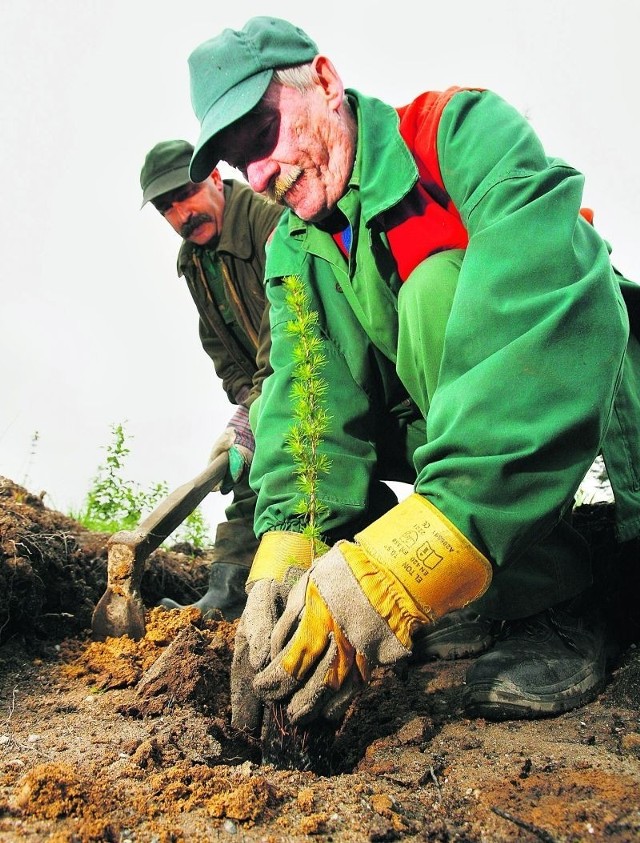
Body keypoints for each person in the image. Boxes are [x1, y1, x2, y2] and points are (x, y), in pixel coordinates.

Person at [185, 17, 640, 730]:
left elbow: (546, 294)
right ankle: (482, 589)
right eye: (241, 161)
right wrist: (282, 553)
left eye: (264, 133)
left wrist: (410, 558)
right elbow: (309, 401)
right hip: (459, 427)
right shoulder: (295, 246)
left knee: (433, 292)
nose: (261, 173)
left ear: (326, 83)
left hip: (574, 374)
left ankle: (558, 594)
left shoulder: (457, 133)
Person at [139, 139, 284, 620]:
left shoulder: (269, 217)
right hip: (269, 384)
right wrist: (247, 400)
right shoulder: (194, 262)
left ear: (216, 178)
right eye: (167, 207)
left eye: (187, 192)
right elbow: (220, 345)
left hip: (320, 364)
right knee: (244, 470)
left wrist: (259, 403)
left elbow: (288, 315)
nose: (181, 212)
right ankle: (228, 592)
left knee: (293, 469)